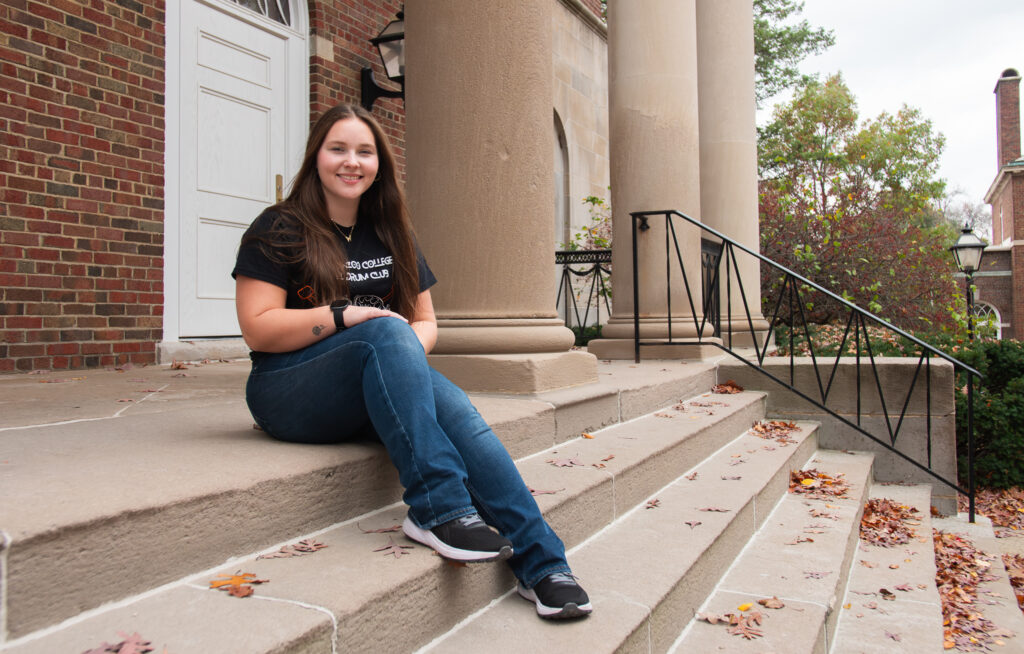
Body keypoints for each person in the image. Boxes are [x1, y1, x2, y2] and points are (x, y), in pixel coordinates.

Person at [231, 103, 592, 620]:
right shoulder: (280, 227)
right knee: (383, 331)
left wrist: (397, 358)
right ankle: (438, 508)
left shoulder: (392, 230)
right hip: (287, 391)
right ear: (316, 157)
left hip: (372, 376)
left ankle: (545, 566)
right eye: (338, 149)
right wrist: (348, 316)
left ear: (379, 163)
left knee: (461, 417)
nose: (351, 162)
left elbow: (425, 324)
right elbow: (258, 327)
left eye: (364, 151)